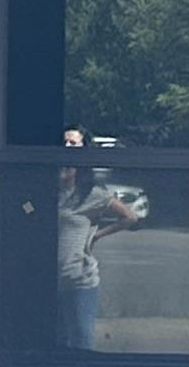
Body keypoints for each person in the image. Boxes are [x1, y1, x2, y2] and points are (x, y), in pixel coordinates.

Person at [57, 130, 150, 355]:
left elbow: (131, 217)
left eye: (73, 143)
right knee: (57, 343)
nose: (68, 147)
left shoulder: (93, 194)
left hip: (79, 280)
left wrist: (98, 235)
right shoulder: (45, 192)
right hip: (47, 281)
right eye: (64, 143)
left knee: (81, 340)